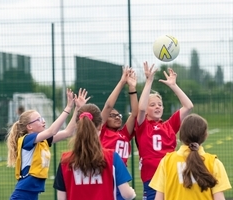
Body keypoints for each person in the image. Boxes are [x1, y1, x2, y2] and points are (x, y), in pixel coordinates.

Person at [7, 88, 90, 200]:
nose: (43, 121)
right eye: (39, 119)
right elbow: (52, 131)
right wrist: (68, 107)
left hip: (32, 193)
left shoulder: (42, 141)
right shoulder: (26, 139)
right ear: (29, 127)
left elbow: (68, 132)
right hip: (23, 193)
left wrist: (78, 108)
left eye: (42, 118)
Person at [53, 103, 136, 200]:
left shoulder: (65, 161)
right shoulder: (112, 157)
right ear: (100, 126)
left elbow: (61, 198)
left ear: (77, 126)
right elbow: (127, 194)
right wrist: (132, 192)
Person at [136, 62, 194, 200]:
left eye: (160, 105)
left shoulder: (169, 125)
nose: (157, 107)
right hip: (152, 178)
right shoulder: (143, 126)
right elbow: (141, 109)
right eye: (153, 105)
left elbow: (188, 106)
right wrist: (149, 81)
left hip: (171, 175)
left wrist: (174, 86)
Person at [149, 113, 232, 200]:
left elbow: (158, 198)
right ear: (205, 136)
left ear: (180, 135)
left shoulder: (167, 161)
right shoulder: (214, 163)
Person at [100, 66, 138, 200]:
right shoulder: (102, 132)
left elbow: (135, 114)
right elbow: (108, 106)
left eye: (119, 115)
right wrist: (122, 82)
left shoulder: (124, 134)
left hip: (120, 178)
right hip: (105, 174)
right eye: (112, 116)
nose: (117, 117)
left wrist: (132, 88)